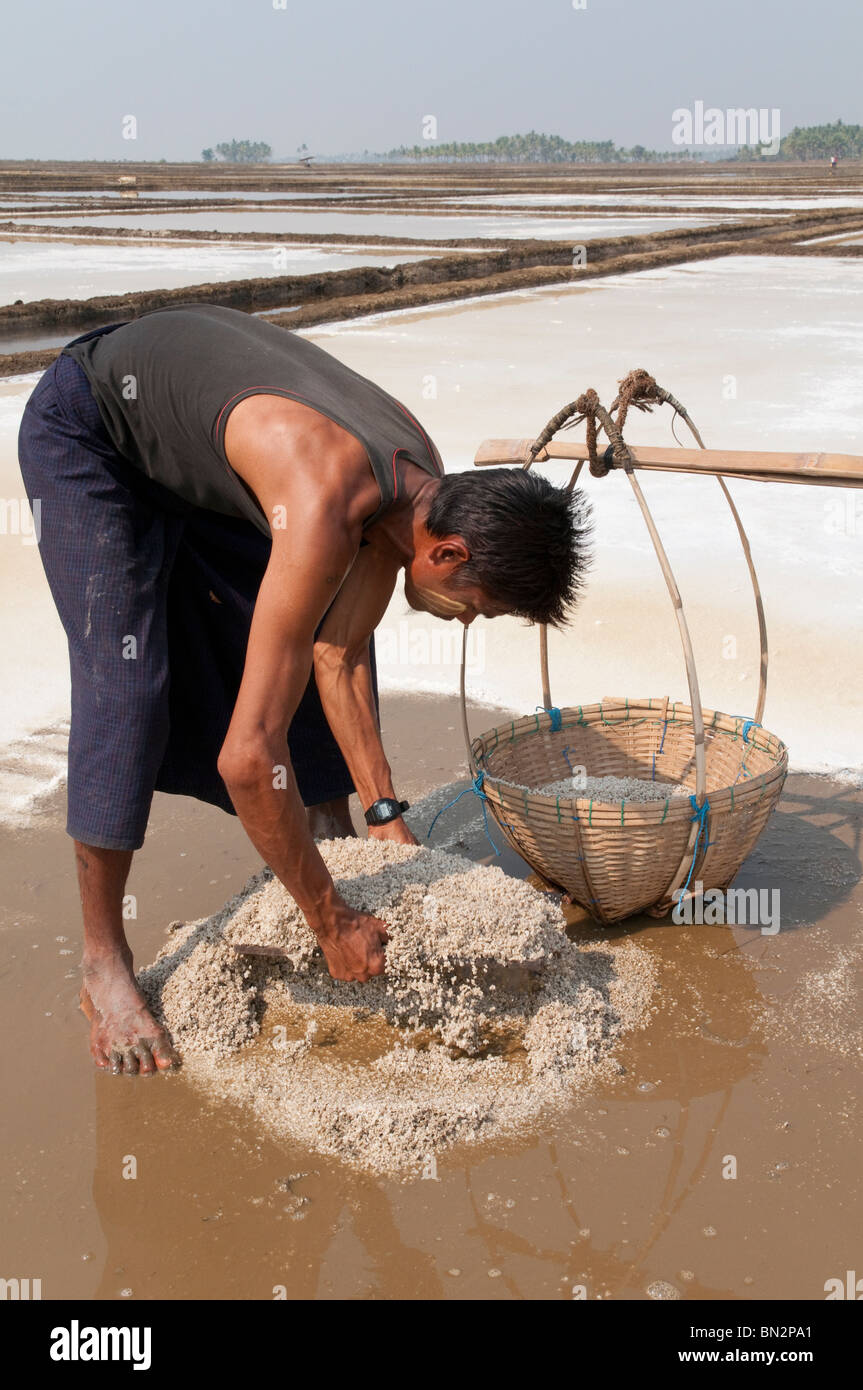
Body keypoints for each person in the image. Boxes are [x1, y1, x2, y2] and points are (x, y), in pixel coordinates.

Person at [18, 303, 590, 1075]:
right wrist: (331, 923)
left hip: (201, 445)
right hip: (94, 428)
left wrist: (384, 814)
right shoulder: (326, 500)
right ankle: (102, 960)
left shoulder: (416, 483)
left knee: (295, 628)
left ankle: (329, 841)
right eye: (477, 605)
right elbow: (246, 758)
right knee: (126, 690)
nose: (465, 622)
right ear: (448, 552)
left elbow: (339, 650)